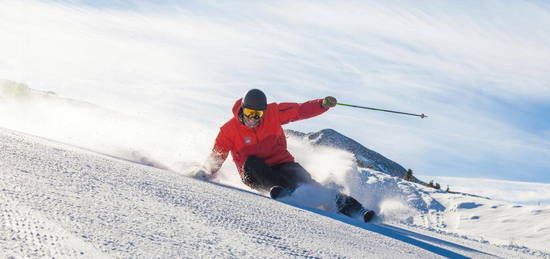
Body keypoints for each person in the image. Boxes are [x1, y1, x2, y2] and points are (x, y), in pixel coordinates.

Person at [195, 89, 374, 222]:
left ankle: (357, 210)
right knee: (253, 162)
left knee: (308, 183)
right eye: (250, 113)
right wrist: (204, 173)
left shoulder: (273, 113)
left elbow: (299, 110)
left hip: (281, 163)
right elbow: (217, 155)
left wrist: (322, 104)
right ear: (242, 109)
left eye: (258, 114)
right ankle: (284, 192)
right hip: (254, 173)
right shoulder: (229, 130)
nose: (253, 118)